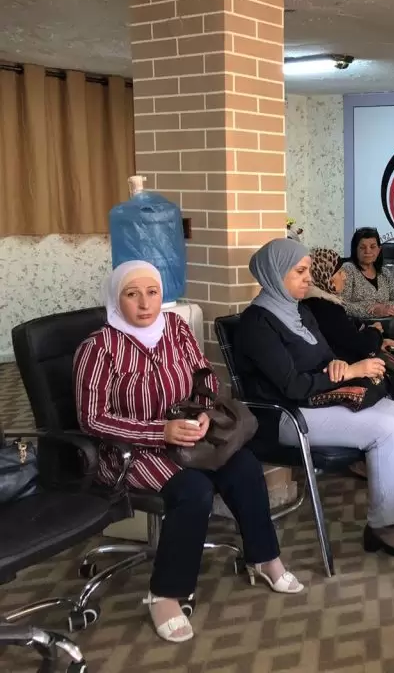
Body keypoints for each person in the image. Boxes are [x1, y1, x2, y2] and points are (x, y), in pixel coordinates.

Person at [74, 261, 302, 644]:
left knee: (244, 466)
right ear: (116, 299)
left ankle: (264, 558)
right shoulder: (99, 348)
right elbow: (91, 419)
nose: (144, 303)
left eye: (152, 293)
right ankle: (165, 593)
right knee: (194, 490)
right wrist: (158, 431)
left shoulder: (175, 328)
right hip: (131, 450)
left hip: (189, 437)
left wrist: (205, 413)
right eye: (132, 294)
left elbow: (204, 377)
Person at [233, 239, 394, 558]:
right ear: (275, 274)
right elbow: (293, 386)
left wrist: (337, 365)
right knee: (386, 429)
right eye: (299, 272)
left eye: (308, 270)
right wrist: (348, 372)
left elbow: (327, 356)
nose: (308, 278)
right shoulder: (257, 324)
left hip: (319, 400)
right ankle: (382, 525)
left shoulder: (300, 312)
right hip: (286, 416)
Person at [303, 246, 394, 480]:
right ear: (325, 276)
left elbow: (355, 332)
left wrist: (376, 336)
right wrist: (375, 333)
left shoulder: (327, 302)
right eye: (339, 273)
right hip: (348, 373)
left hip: (354, 365)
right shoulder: (324, 307)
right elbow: (360, 344)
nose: (344, 277)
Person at [339, 227, 394, 320]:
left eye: (372, 247)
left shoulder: (385, 272)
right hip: (359, 325)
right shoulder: (348, 269)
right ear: (355, 250)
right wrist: (373, 311)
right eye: (362, 247)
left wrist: (384, 307)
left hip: (387, 323)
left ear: (379, 250)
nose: (368, 251)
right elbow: (341, 304)